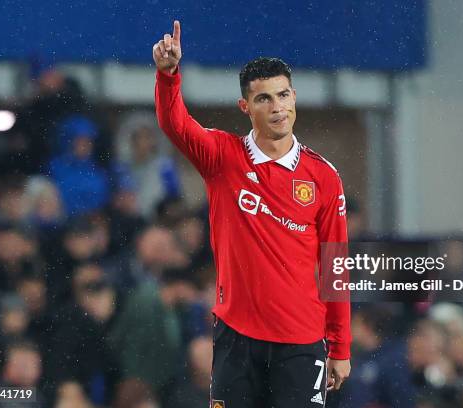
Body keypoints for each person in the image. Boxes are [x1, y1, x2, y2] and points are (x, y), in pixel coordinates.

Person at [152, 20, 351, 407]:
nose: (277, 108)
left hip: (301, 343)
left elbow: (335, 266)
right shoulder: (223, 158)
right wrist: (168, 76)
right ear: (245, 106)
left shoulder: (323, 176)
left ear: (294, 97)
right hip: (236, 339)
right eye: (264, 99)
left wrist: (340, 345)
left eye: (283, 95)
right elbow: (174, 124)